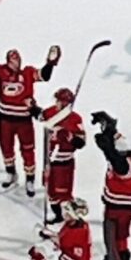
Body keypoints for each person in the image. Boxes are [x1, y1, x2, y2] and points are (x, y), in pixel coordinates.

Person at [0, 38, 59, 194]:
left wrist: (50, 63)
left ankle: (29, 179)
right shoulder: (1, 71)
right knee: (6, 147)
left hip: (24, 120)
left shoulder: (28, 73)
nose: (16, 63)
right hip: (5, 120)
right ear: (7, 61)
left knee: (28, 150)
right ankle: (11, 173)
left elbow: (44, 76)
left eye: (18, 60)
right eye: (13, 60)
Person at [93, 111, 131, 260]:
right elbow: (114, 146)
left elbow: (115, 159)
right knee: (118, 236)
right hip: (120, 205)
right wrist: (108, 125)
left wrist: (107, 149)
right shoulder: (128, 154)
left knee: (113, 237)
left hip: (120, 208)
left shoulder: (125, 166)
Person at [39, 88, 86, 223]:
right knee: (51, 191)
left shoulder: (75, 119)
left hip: (64, 163)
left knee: (63, 193)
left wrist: (69, 136)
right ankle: (58, 216)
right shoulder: (52, 112)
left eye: (61, 101)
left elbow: (81, 143)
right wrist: (32, 106)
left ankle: (70, 219)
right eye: (58, 100)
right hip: (49, 161)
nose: (58, 103)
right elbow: (40, 115)